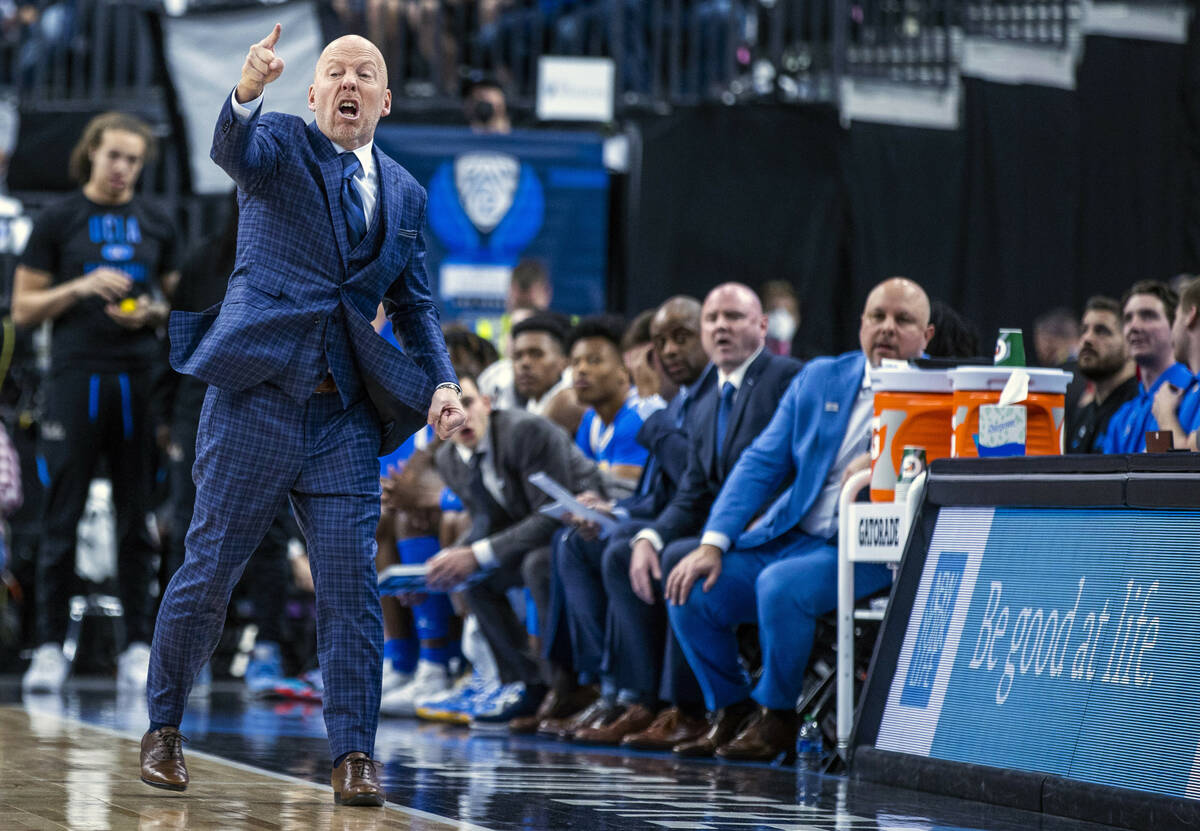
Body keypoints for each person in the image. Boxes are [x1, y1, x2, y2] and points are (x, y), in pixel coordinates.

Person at [139, 26, 464, 807]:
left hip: (344, 416)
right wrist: (247, 88)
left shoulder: (409, 195)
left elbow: (415, 310)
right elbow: (230, 147)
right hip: (254, 396)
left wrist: (444, 385)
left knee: (351, 588)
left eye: (366, 72)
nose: (348, 81)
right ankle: (164, 728)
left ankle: (355, 752)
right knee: (210, 567)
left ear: (385, 99)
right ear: (314, 94)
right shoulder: (277, 145)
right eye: (333, 71)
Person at [665, 277, 933, 761]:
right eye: (877, 317)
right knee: (689, 574)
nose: (887, 329)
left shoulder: (944, 395)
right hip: (795, 533)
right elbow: (760, 463)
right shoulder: (820, 377)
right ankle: (732, 708)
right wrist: (714, 541)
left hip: (872, 550)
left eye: (903, 320)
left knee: (780, 585)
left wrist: (882, 466)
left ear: (928, 335)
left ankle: (778, 717)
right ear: (861, 324)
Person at [595, 283, 801, 751]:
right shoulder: (708, 402)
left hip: (776, 535)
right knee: (648, 549)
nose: (722, 327)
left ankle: (692, 707)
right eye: (713, 320)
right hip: (722, 536)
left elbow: (795, 471)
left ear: (762, 326)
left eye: (734, 317)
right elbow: (692, 491)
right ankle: (724, 706)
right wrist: (649, 534)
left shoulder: (787, 378)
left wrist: (721, 536)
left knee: (681, 557)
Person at [12, 111, 177, 695]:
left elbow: (179, 304)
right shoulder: (60, 218)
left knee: (139, 520)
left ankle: (138, 644)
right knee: (61, 516)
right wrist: (80, 286)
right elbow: (24, 308)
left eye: (133, 159)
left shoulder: (157, 220)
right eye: (114, 156)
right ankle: (49, 646)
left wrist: (156, 312)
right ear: (92, 154)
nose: (122, 168)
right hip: (74, 376)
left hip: (137, 375)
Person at [425, 375, 600, 727]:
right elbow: (485, 522)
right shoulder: (448, 459)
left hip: (586, 526)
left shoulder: (525, 432)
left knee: (538, 565)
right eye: (446, 411)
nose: (459, 416)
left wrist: (474, 553)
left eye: (468, 403)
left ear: (488, 403)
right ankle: (529, 684)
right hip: (532, 536)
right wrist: (445, 563)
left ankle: (571, 684)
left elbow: (552, 515)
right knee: (473, 578)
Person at [1102, 281, 1192, 454]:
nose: (1134, 326)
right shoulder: (1121, 417)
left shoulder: (1194, 393)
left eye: (1148, 315)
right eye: (1128, 318)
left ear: (1175, 325)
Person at [569, 315, 649, 499]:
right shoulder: (591, 419)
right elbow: (579, 482)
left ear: (624, 369)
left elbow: (621, 495)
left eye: (594, 361)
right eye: (575, 362)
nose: (581, 370)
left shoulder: (637, 417)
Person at [1066, 297, 1138, 454]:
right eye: (1084, 330)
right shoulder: (1082, 414)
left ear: (1130, 343)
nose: (1087, 339)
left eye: (1101, 331)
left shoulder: (1139, 408)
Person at [1152, 278, 1200, 449]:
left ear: (1190, 316)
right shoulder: (1180, 394)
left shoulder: (1167, 404)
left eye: (1176, 317)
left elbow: (1192, 461)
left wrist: (1165, 415)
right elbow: (1152, 462)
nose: (1173, 330)